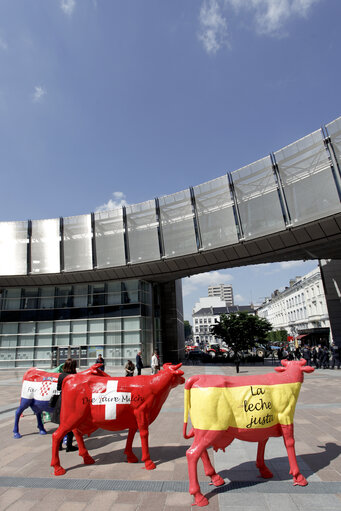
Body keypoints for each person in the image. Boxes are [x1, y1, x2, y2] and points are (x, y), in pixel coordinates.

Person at [51, 358, 78, 452]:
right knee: (71, 424)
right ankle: (69, 446)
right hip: (70, 402)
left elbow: (58, 388)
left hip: (61, 400)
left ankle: (59, 445)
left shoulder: (61, 375)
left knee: (61, 425)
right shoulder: (74, 376)